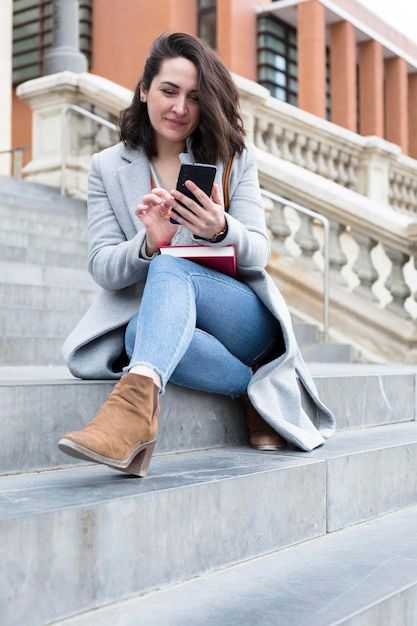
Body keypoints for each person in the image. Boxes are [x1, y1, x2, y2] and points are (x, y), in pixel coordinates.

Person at [58, 32, 335, 477]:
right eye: (169, 91)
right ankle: (254, 391)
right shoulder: (107, 167)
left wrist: (220, 229)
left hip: (242, 321)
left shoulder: (233, 157)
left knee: (173, 266)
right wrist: (149, 242)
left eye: (194, 97)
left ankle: (131, 418)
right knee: (135, 340)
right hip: (167, 317)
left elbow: (260, 252)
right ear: (144, 89)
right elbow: (103, 267)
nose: (180, 109)